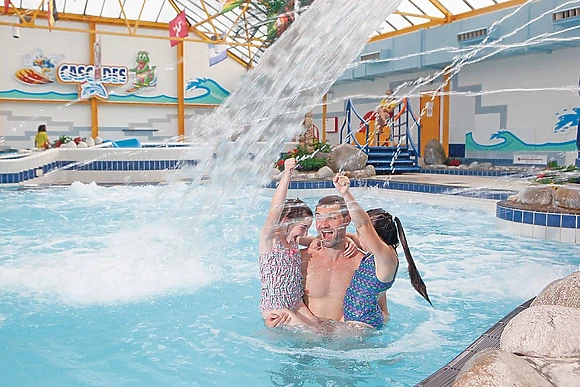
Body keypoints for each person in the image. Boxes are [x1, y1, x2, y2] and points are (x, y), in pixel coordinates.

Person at [258, 157, 319, 327]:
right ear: (286, 221)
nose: (306, 232)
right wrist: (286, 175)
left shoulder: (294, 241)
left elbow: (322, 241)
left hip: (295, 303)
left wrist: (349, 241)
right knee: (313, 338)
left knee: (323, 330)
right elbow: (275, 210)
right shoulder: (270, 239)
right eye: (303, 227)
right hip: (277, 308)